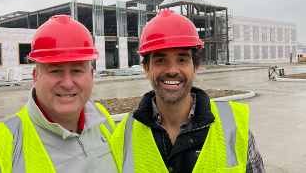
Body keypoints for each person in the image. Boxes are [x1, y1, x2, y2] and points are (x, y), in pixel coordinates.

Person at [111, 10, 265, 173]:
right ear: (146, 70)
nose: (172, 70)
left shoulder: (233, 125)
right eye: (161, 60)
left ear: (195, 69)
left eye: (182, 60)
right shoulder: (123, 135)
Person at [0, 15, 118, 173]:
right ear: (36, 77)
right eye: (55, 71)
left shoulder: (104, 123)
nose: (67, 83)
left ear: (91, 75)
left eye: (77, 70)